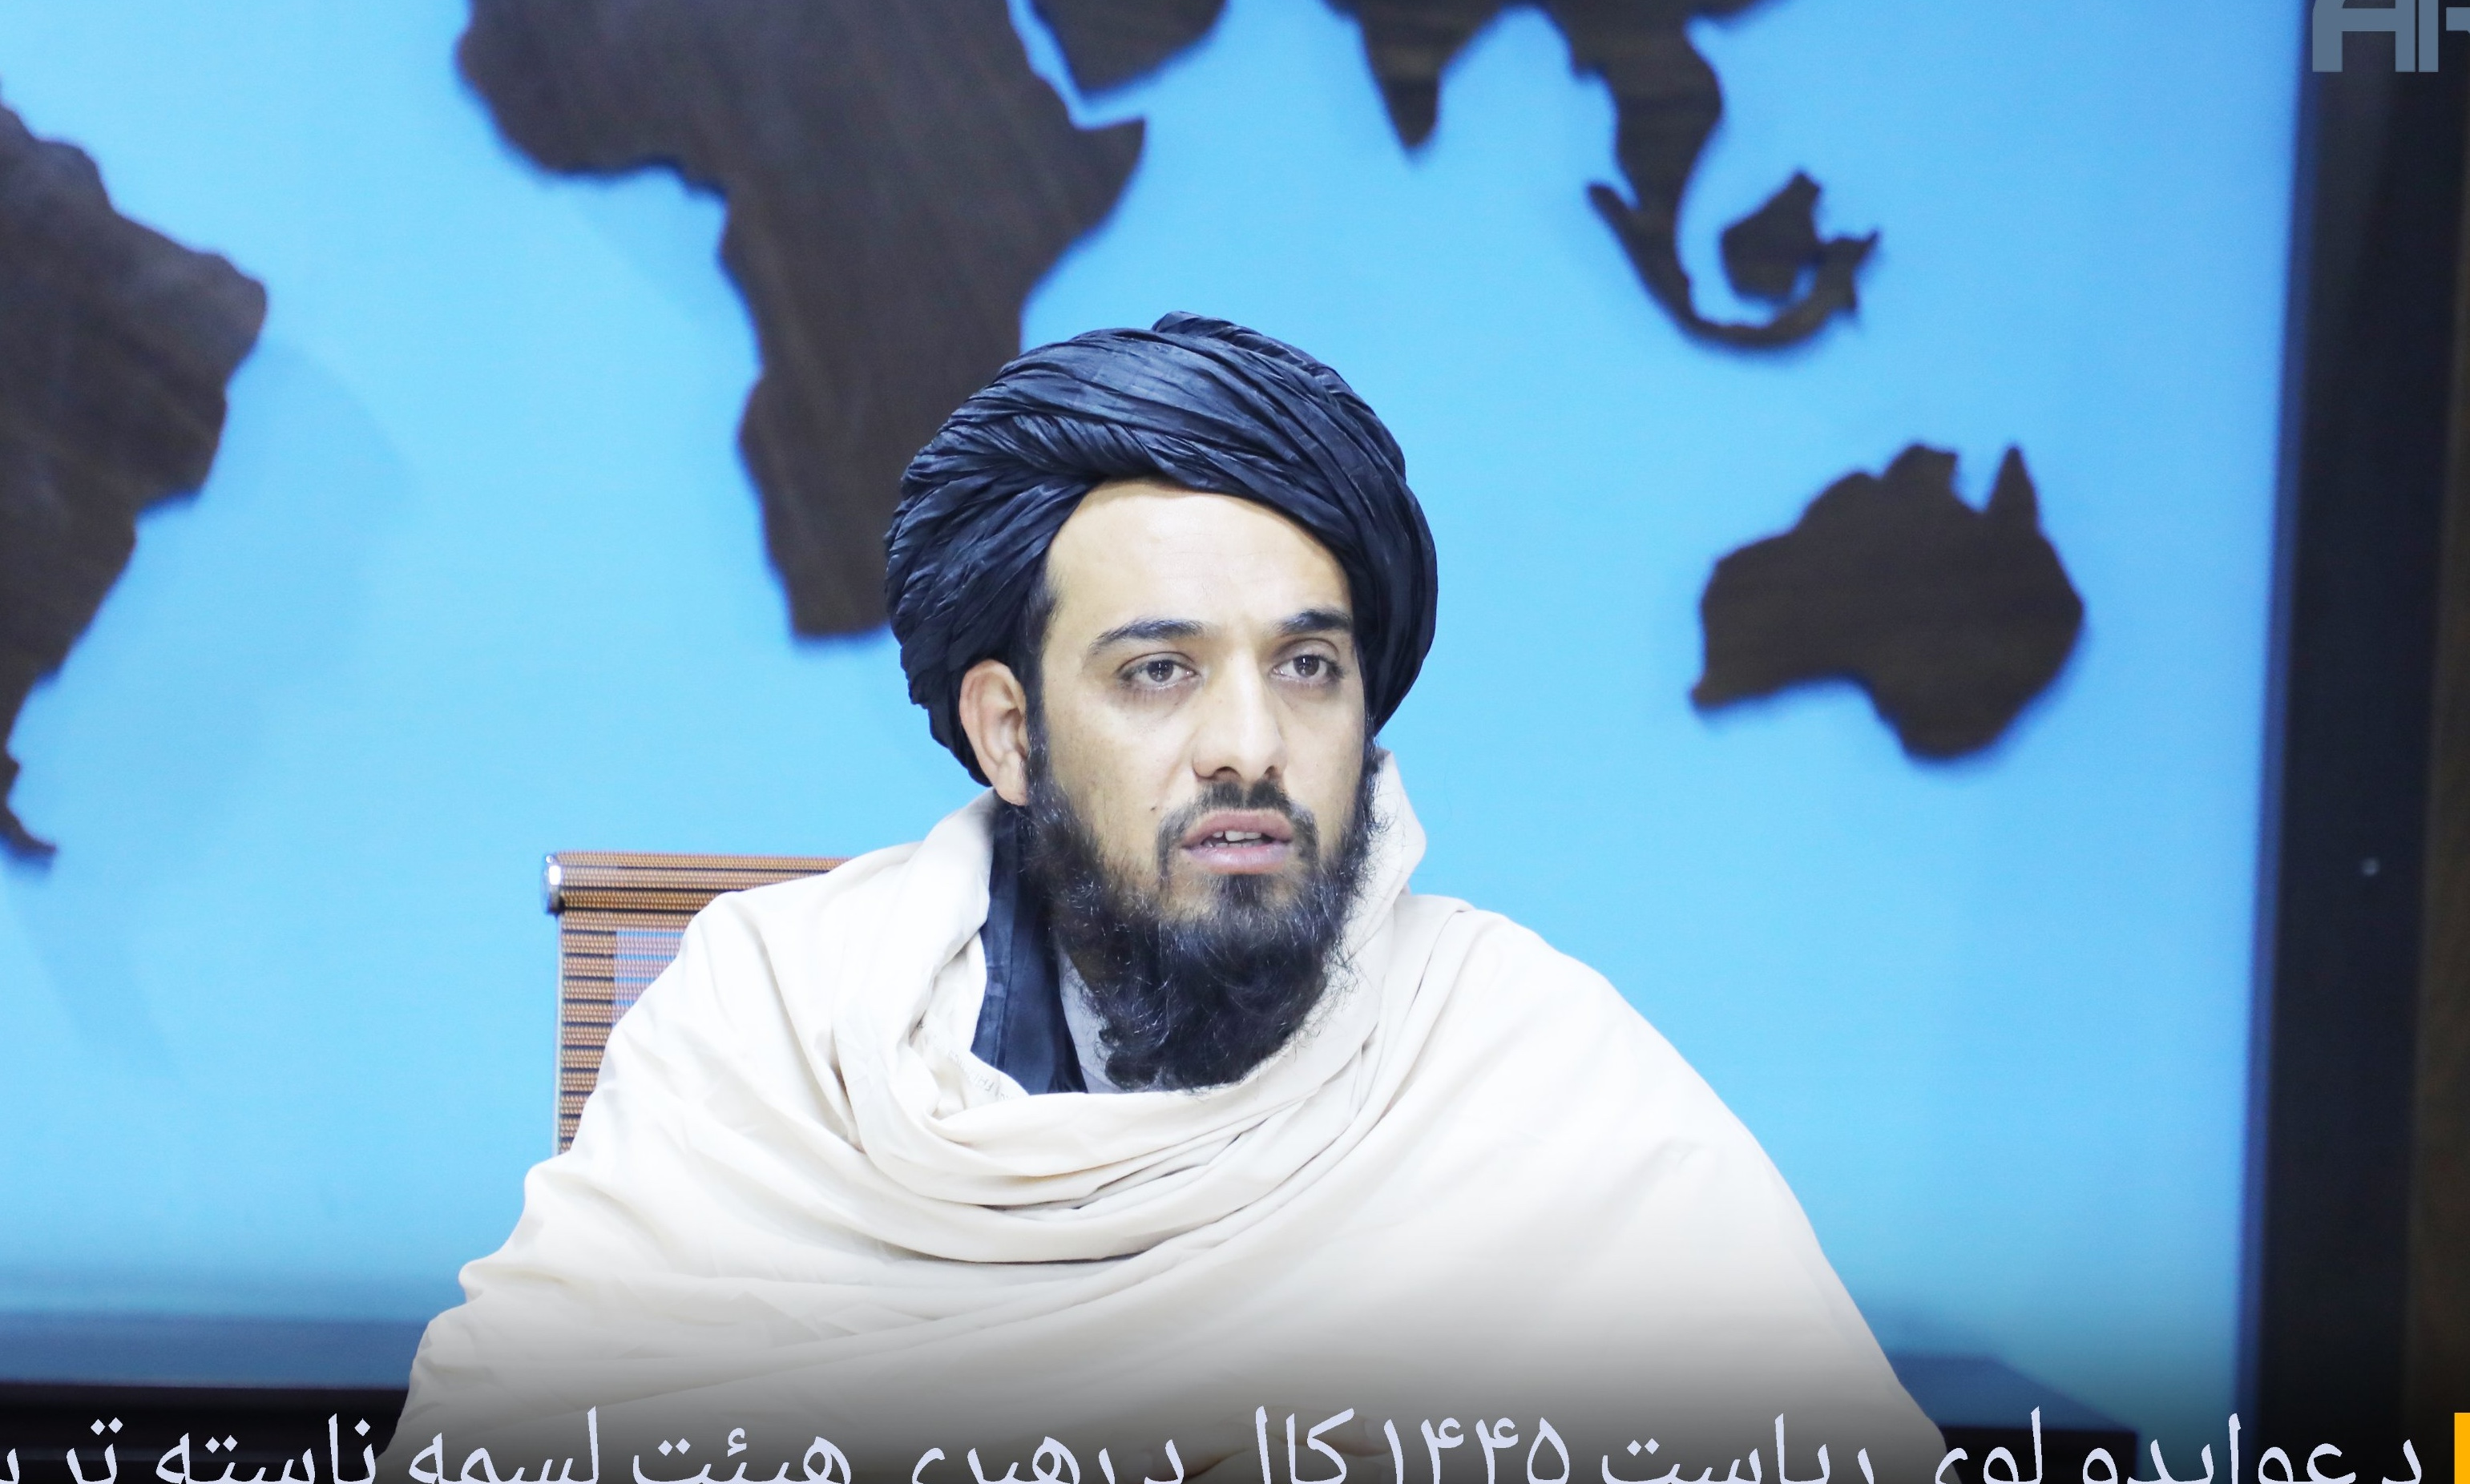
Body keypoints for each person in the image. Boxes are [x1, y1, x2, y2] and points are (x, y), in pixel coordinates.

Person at [389, 314, 1943, 1479]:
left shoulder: (1523, 1056)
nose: (1248, 746)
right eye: (1157, 672)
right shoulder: (777, 1011)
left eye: (1308, 666)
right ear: (1009, 730)